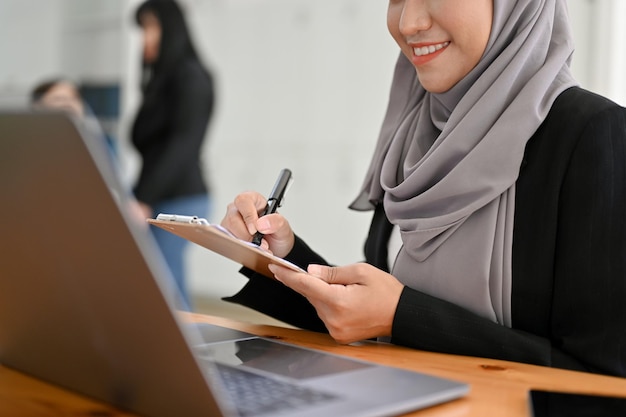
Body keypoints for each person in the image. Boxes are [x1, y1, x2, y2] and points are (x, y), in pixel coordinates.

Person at [220, 0, 626, 378]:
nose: (408, 23)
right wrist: (280, 256)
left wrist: (404, 316)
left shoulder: (594, 137)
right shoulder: (415, 134)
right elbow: (369, 324)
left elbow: (604, 377)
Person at [132, 0, 215, 310]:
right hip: (154, 195)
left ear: (171, 28)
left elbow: (183, 145)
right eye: (143, 29)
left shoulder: (192, 77)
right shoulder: (160, 82)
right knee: (153, 287)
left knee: (169, 293)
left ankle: (186, 355)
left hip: (179, 197)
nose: (145, 38)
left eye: (150, 27)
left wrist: (142, 198)